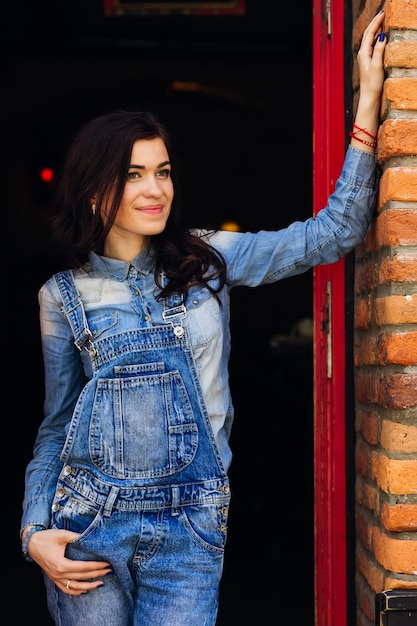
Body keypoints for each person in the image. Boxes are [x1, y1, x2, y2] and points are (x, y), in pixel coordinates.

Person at [20, 11, 387, 626]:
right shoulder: (62, 296)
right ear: (92, 190)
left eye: (161, 172)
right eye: (132, 174)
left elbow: (333, 233)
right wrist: (33, 532)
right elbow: (55, 428)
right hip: (88, 528)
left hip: (190, 526)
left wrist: (369, 102)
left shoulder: (207, 257)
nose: (153, 189)